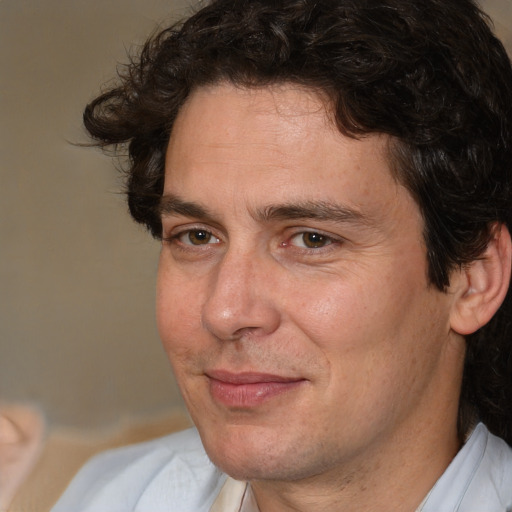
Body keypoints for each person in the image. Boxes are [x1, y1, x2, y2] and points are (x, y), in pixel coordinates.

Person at [52, 0, 512, 511]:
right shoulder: (112, 497)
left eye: (312, 240)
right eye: (198, 236)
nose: (224, 312)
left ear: (474, 279)